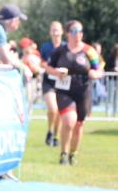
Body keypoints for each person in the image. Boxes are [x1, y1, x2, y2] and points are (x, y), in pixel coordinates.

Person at [47, 20, 102, 165]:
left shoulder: (89, 50)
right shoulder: (60, 51)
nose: (78, 34)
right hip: (65, 90)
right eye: (74, 31)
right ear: (67, 33)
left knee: (78, 124)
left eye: (80, 31)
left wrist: (94, 73)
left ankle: (72, 154)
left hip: (83, 90)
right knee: (69, 120)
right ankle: (63, 153)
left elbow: (98, 69)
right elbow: (48, 68)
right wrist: (56, 72)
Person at [40, 21, 65, 146]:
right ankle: (49, 131)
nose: (55, 33)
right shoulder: (45, 47)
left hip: (62, 82)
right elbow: (43, 63)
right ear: (50, 32)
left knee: (60, 111)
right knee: (53, 108)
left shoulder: (66, 47)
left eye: (57, 30)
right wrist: (53, 70)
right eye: (53, 30)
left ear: (62, 32)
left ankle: (56, 136)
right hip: (49, 81)